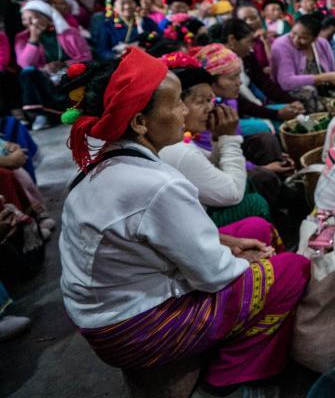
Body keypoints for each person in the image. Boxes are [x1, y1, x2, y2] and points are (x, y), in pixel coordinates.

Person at [58, 49, 310, 391]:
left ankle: (240, 329)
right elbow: (213, 274)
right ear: (140, 122)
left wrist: (229, 244)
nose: (184, 111)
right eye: (177, 102)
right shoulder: (156, 183)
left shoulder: (110, 163)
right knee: (293, 268)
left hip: (107, 315)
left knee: (256, 229)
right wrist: (248, 262)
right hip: (134, 328)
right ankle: (231, 373)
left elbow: (159, 237)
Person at [157, 54, 271, 228]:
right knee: (255, 202)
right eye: (201, 101)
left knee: (250, 182)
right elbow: (233, 194)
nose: (210, 108)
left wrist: (218, 137)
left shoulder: (180, 139)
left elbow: (211, 167)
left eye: (210, 100)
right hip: (190, 225)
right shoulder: (178, 149)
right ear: (177, 106)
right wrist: (228, 138)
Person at [16, 0, 92, 130]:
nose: (28, 23)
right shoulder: (22, 38)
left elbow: (87, 57)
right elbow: (24, 63)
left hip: (69, 73)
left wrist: (64, 64)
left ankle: (79, 108)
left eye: (32, 18)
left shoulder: (69, 32)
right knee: (27, 72)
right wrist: (33, 38)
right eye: (24, 19)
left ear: (45, 17)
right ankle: (42, 115)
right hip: (45, 78)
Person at [213, 20, 303, 128]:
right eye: (248, 42)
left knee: (295, 112)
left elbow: (264, 83)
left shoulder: (247, 57)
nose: (251, 47)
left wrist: (292, 101)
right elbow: (241, 103)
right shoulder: (219, 65)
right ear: (232, 39)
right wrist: (276, 114)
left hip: (254, 107)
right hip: (236, 114)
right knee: (265, 127)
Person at [272, 13, 335, 113]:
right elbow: (286, 82)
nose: (295, 40)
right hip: (293, 90)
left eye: (303, 38)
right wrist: (323, 78)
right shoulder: (281, 45)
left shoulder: (322, 43)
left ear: (314, 39)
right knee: (309, 91)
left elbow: (332, 72)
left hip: (323, 87)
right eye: (293, 33)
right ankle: (320, 120)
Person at [92, 0, 159, 61]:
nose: (127, 6)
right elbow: (102, 51)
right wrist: (117, 56)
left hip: (149, 58)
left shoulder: (147, 21)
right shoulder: (106, 26)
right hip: (122, 62)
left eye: (130, 2)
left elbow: (159, 37)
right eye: (122, 3)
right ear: (114, 8)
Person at [236, 3, 272, 73]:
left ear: (260, 18)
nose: (249, 22)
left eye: (253, 18)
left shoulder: (270, 38)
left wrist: (266, 43)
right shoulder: (236, 44)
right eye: (244, 19)